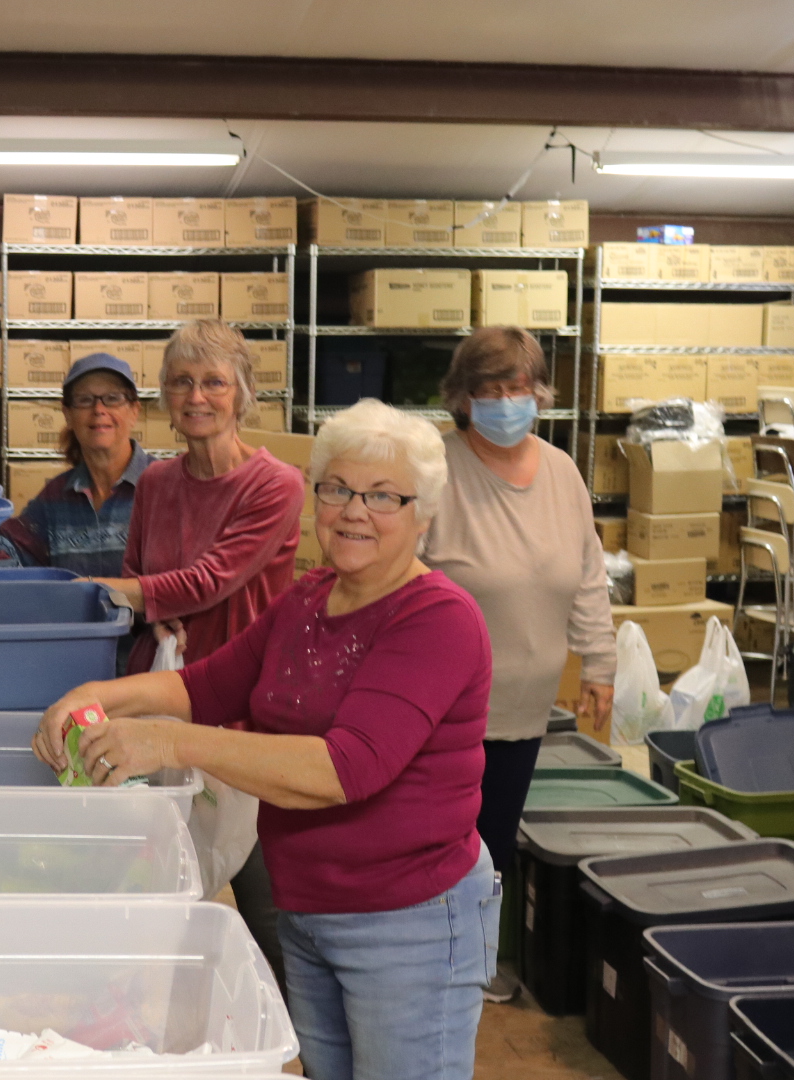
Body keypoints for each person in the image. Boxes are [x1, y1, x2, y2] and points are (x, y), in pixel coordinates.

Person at [34, 399, 497, 1080]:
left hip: (408, 923)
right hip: (307, 909)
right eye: (336, 489)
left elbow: (346, 769)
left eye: (381, 496)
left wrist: (169, 746)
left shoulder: (438, 620)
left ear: (423, 511)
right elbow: (205, 687)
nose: (352, 510)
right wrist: (96, 695)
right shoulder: (310, 599)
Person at [88, 318, 304, 985]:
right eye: (181, 382)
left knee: (265, 889)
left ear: (243, 393)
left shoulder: (276, 486)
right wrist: (153, 623)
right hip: (165, 698)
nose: (197, 396)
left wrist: (108, 593)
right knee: (161, 873)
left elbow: (210, 580)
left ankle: (299, 1040)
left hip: (247, 707)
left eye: (214, 381)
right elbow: (143, 573)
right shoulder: (156, 484)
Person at [421, 325, 616, 1003]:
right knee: (436, 843)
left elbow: (587, 574)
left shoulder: (561, 471)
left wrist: (601, 663)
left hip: (525, 707)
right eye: (490, 389)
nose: (507, 402)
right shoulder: (435, 468)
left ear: (539, 393)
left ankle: (473, 966)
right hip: (439, 708)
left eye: (519, 388)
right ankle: (429, 966)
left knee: (494, 844)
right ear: (462, 398)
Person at [0, 351, 152, 574]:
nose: (98, 410)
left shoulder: (165, 487)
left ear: (134, 411)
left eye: (113, 398)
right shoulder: (56, 497)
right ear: (67, 414)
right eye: (84, 400)